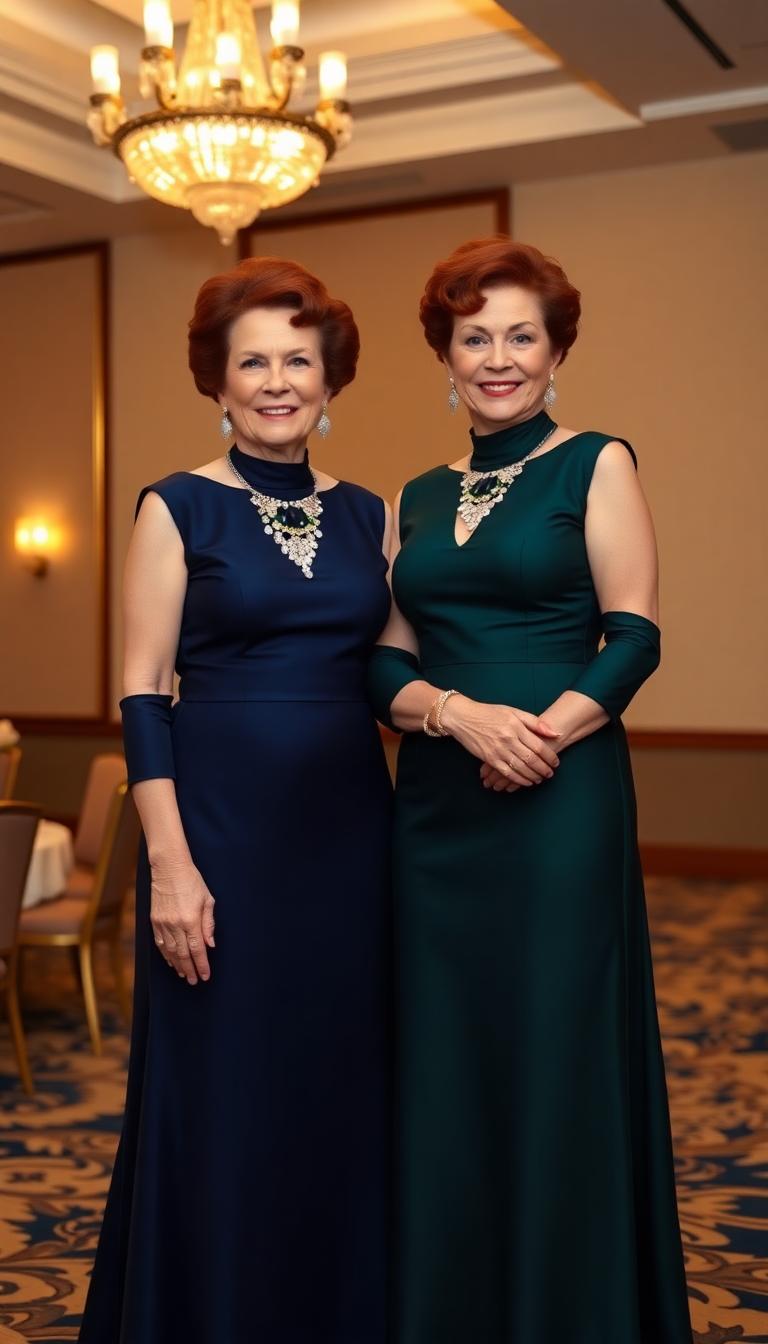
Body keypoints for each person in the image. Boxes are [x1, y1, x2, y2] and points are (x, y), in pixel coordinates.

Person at [369, 237, 692, 1342]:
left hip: (559, 798)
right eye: (475, 338)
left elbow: (635, 633)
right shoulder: (412, 494)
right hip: (437, 814)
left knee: (554, 1047)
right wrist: (457, 719)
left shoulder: (597, 460)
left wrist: (539, 738)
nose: (498, 357)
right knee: (447, 1058)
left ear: (556, 354)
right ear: (445, 357)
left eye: (521, 337)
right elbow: (386, 661)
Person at [80, 257, 393, 1344]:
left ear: (330, 380)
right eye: (251, 360)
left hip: (353, 844)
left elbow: (401, 678)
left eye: (297, 360)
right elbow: (139, 689)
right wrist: (168, 861)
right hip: (217, 845)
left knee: (337, 1089)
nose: (275, 380)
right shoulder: (175, 508)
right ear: (217, 381)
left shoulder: (374, 516)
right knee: (224, 1096)